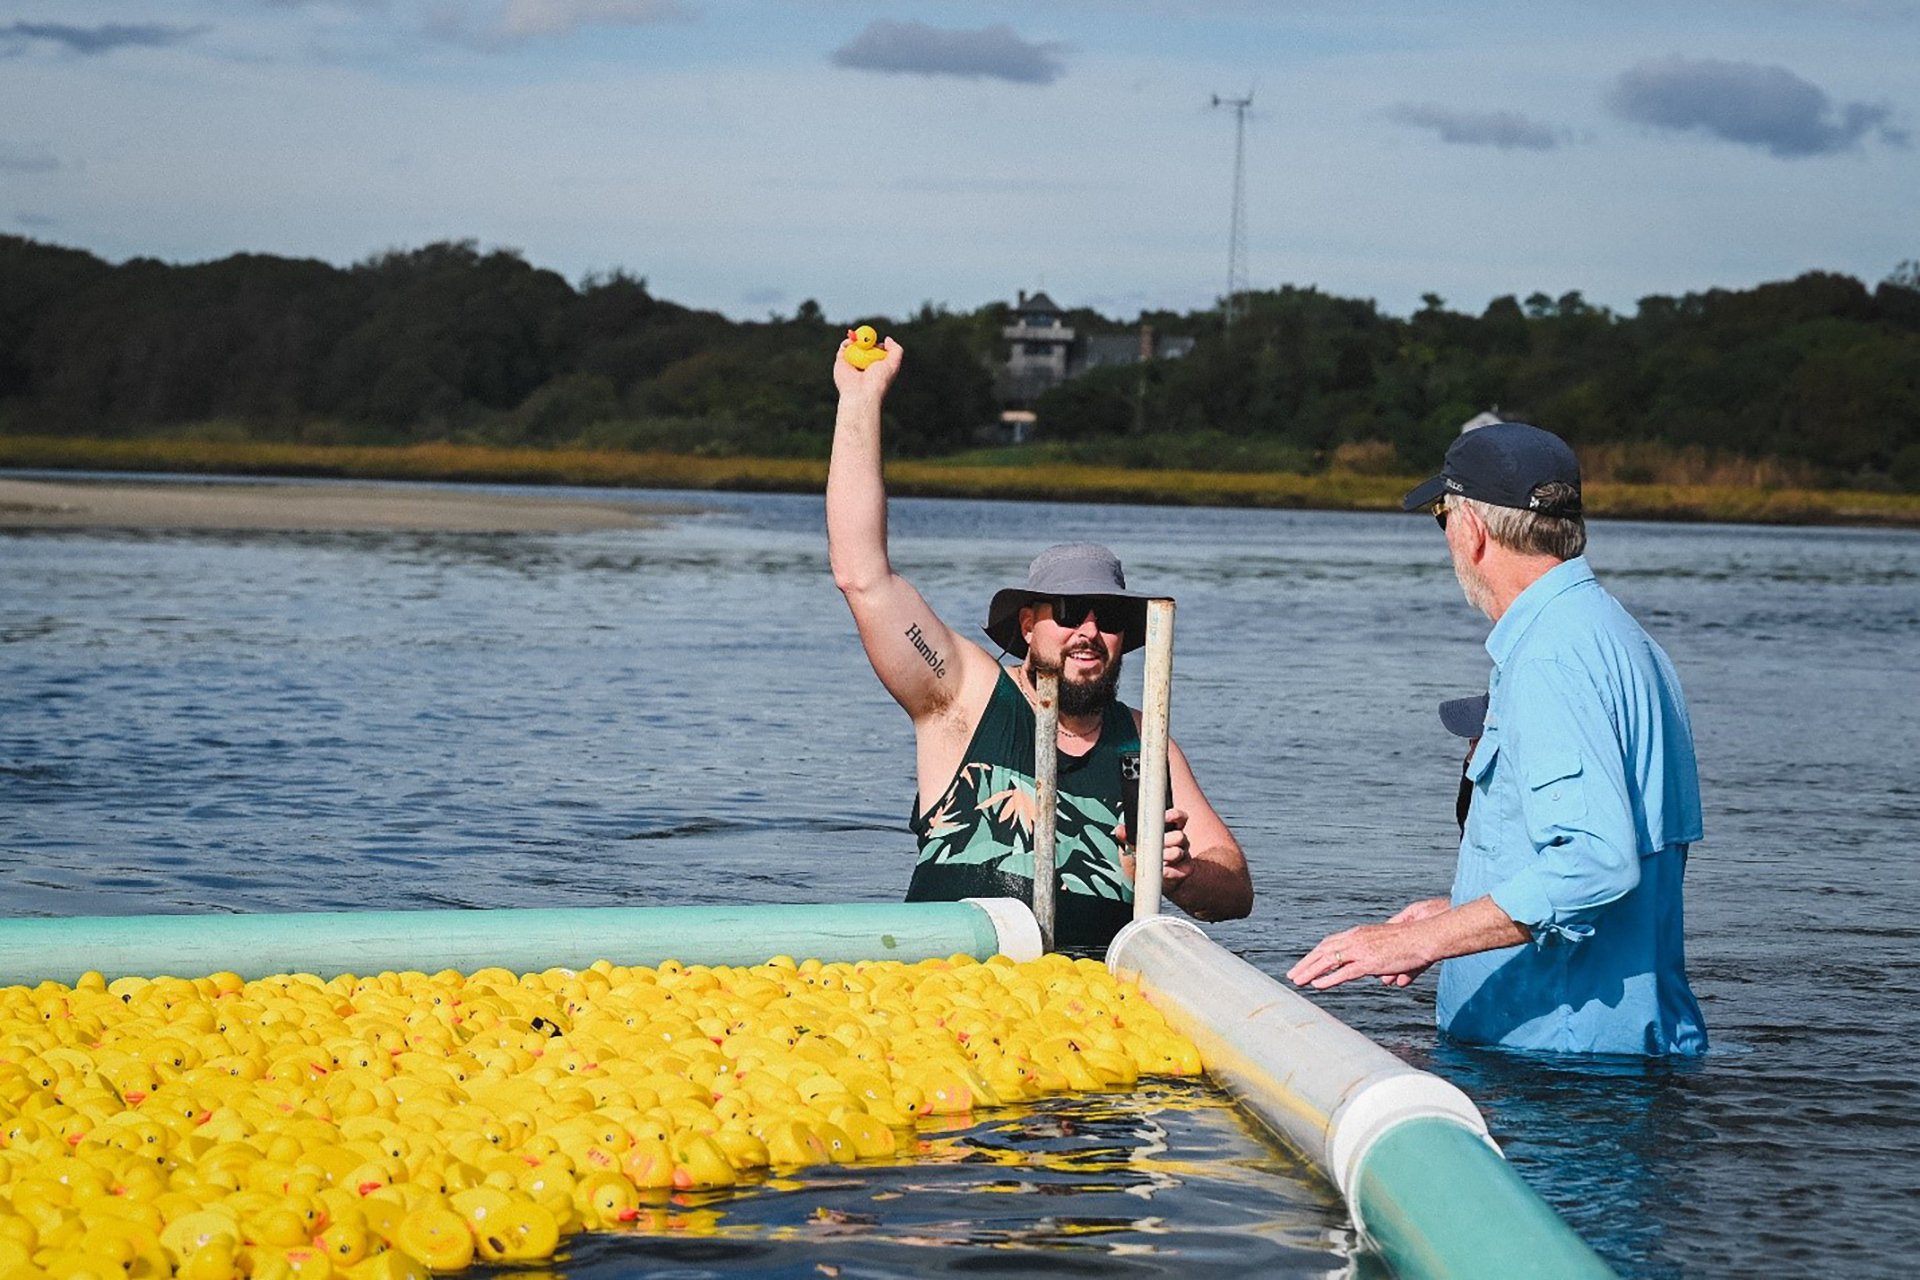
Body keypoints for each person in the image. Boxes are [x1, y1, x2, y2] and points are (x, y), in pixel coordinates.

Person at [1289, 422, 1707, 1056]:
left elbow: (1595, 860)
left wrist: (1417, 941)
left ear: (1474, 530)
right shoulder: (1623, 639)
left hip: (1563, 1072)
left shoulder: (1550, 658)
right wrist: (1455, 915)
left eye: (1441, 517)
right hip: (1611, 1059)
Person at [828, 334, 1252, 952]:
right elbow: (862, 575)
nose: (1089, 632)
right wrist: (860, 401)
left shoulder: (1145, 744)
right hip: (948, 992)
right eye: (1071, 613)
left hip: (1081, 1006)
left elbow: (1236, 889)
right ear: (1027, 625)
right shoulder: (963, 696)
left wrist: (1182, 876)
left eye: (1108, 617)